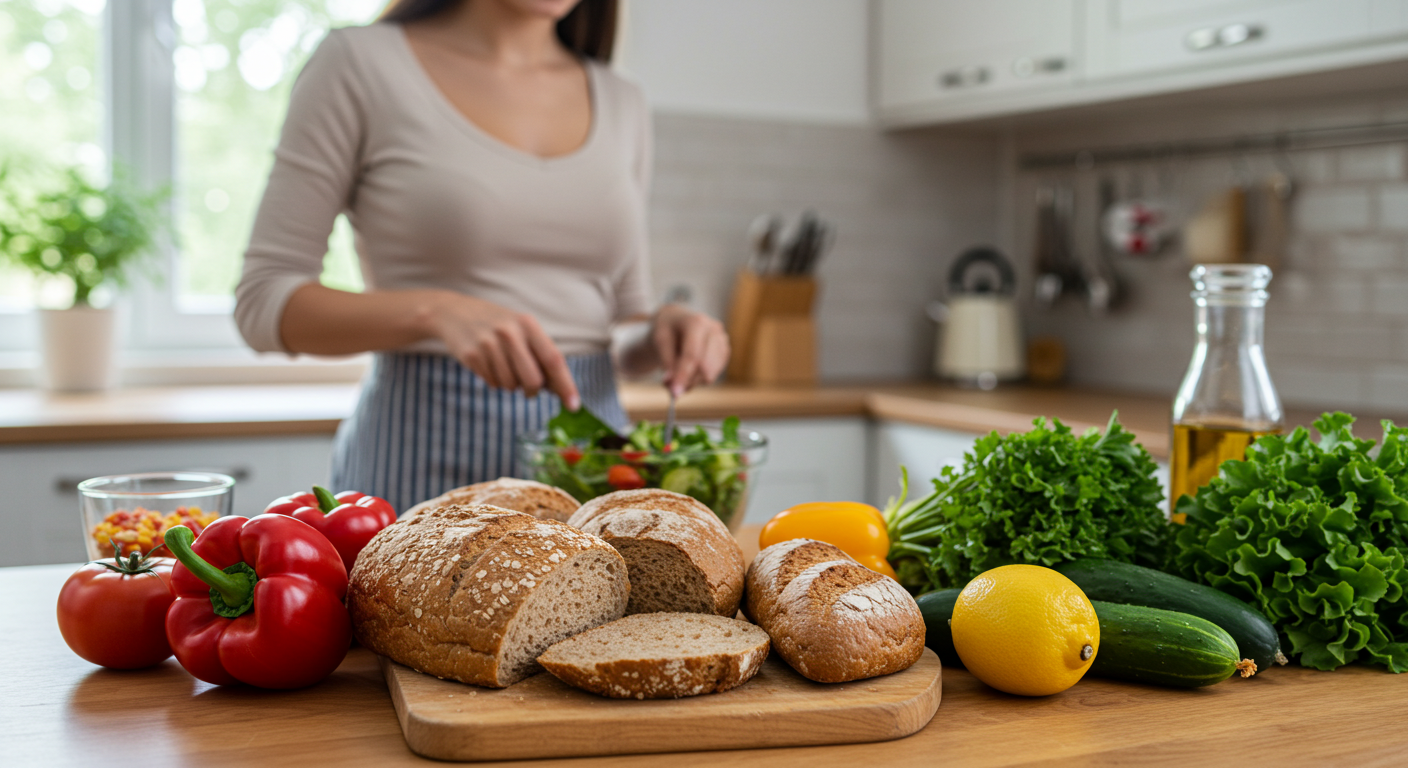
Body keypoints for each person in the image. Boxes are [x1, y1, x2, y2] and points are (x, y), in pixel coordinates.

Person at [234, 0, 729, 514]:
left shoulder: (621, 99)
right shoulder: (360, 63)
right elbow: (263, 301)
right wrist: (438, 312)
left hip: (588, 474)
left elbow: (619, 326)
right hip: (416, 467)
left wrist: (662, 333)